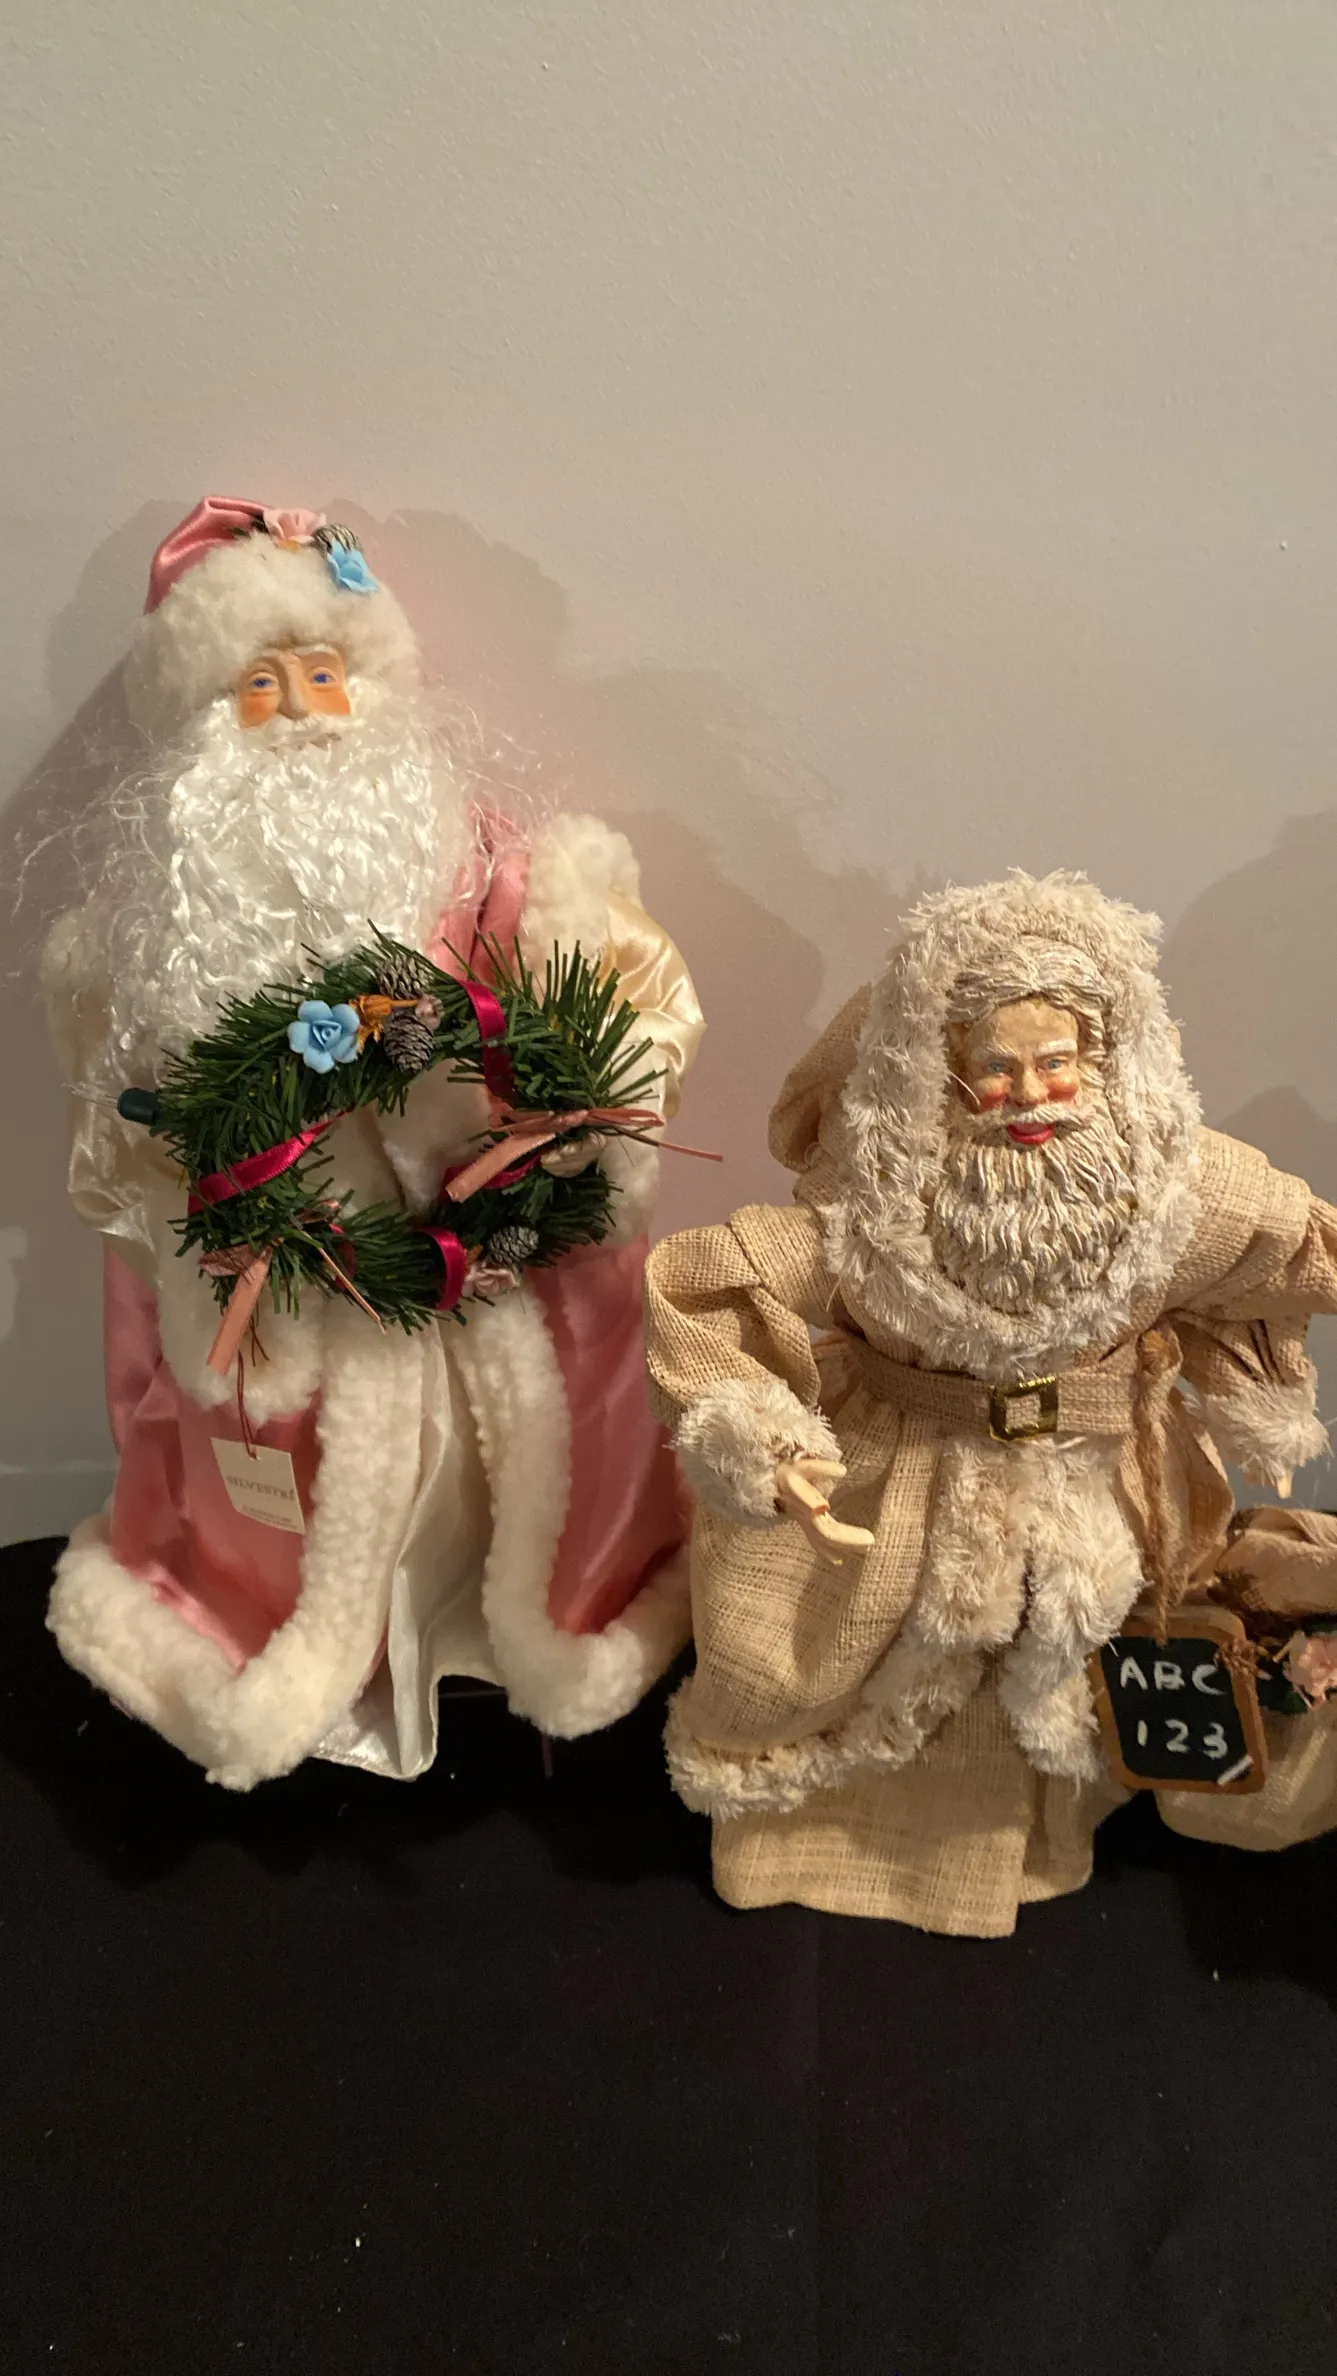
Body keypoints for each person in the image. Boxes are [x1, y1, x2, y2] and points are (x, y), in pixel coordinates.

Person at [44, 497, 703, 1789]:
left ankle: (500, 1633)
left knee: (507, 1485)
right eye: (261, 682)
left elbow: (620, 1014)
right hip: (295, 1270)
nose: (302, 707)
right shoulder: (151, 931)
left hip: (490, 1254)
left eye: (326, 671)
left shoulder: (498, 869)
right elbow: (120, 1130)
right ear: (204, 715)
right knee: (294, 1485)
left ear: (377, 683)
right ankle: (288, 1646)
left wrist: (559, 1099)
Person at [646, 869, 1337, 1934]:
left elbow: (1287, 1241)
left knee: (1060, 1652)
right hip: (895, 1470)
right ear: (938, 1071)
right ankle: (816, 1841)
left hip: (1093, 1476)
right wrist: (766, 1445)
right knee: (804, 1661)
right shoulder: (874, 1205)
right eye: (994, 1070)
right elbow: (713, 1283)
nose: (1029, 1095)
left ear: (1102, 1060)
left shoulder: (1167, 1190)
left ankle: (1024, 1843)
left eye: (1056, 1064)